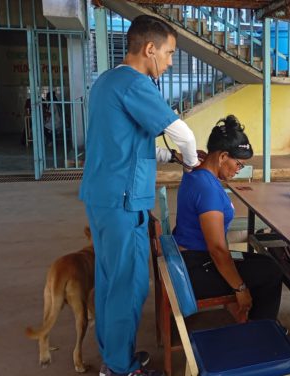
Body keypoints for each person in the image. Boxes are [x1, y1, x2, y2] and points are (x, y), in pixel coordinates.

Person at [79, 15, 201, 376]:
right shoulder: (136, 83)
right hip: (122, 201)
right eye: (168, 54)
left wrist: (168, 156)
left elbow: (127, 142)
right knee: (129, 286)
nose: (168, 62)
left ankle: (112, 358)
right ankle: (120, 368)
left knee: (108, 281)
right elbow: (184, 135)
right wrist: (192, 162)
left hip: (101, 198)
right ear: (149, 49)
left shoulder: (106, 82)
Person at [173, 115, 283, 320]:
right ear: (223, 156)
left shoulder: (197, 174)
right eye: (239, 164)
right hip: (195, 270)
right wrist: (240, 288)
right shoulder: (207, 189)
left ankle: (252, 322)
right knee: (271, 272)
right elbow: (217, 249)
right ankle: (261, 334)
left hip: (190, 259)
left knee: (263, 263)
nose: (238, 170)